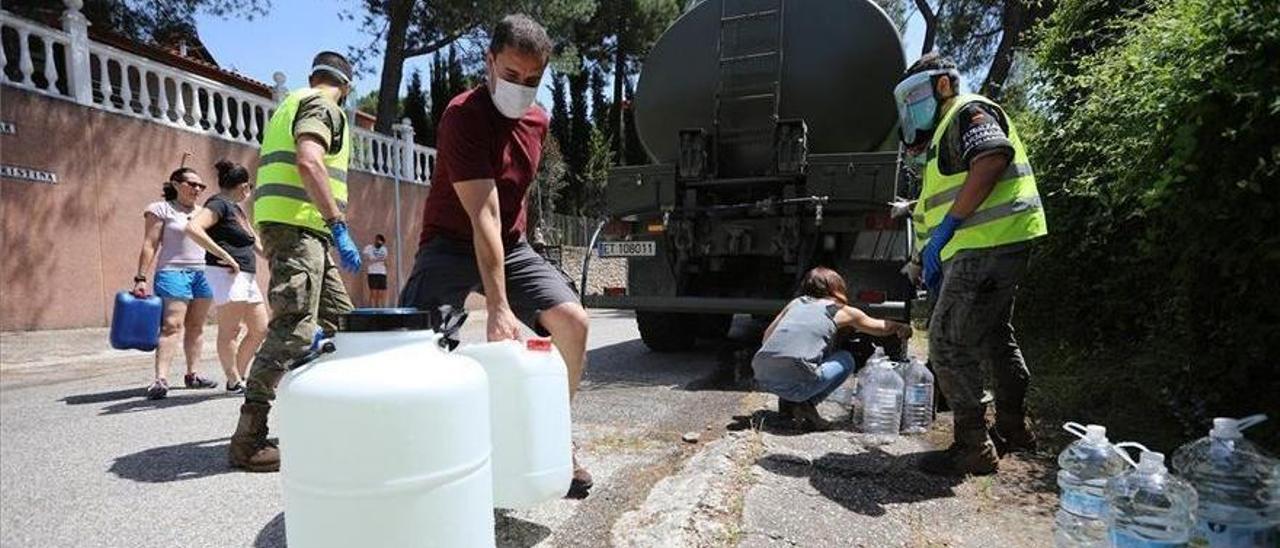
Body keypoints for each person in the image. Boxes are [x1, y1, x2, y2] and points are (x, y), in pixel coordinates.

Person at [399, 14, 594, 498]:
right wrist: (499, 306)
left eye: (532, 80)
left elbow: (512, 199)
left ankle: (554, 440)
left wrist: (521, 249)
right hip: (450, 241)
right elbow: (482, 213)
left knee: (573, 322)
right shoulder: (462, 115)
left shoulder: (538, 120)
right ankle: (422, 453)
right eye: (511, 75)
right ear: (489, 62)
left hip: (511, 244)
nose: (521, 87)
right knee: (410, 347)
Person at [893, 53, 1048, 475]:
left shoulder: (966, 110)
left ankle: (973, 446)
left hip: (985, 247)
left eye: (915, 96)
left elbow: (993, 158)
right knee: (996, 335)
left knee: (946, 341)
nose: (911, 109)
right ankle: (1014, 429)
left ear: (942, 85)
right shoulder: (944, 132)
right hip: (1001, 244)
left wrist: (950, 227)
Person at [228, 51, 360, 473]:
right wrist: (338, 223)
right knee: (294, 327)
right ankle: (248, 439)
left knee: (344, 322)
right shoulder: (325, 105)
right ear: (348, 86)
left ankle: (332, 415)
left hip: (304, 231)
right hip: (299, 228)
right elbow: (308, 160)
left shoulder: (293, 102)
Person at [753, 267, 913, 431]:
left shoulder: (796, 303)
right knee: (846, 359)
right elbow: (880, 327)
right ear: (836, 287)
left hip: (763, 376)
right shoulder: (840, 311)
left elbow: (767, 336)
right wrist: (901, 326)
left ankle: (789, 406)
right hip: (797, 381)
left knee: (797, 355)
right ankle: (805, 404)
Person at [131, 168, 219, 400]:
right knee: (171, 325)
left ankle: (193, 374)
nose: (197, 189)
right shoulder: (160, 209)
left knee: (197, 326)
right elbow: (150, 245)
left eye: (201, 186)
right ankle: (161, 379)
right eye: (192, 184)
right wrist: (140, 278)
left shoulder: (204, 213)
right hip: (172, 272)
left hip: (203, 273)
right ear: (176, 184)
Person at [184, 160, 268, 394]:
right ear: (243, 186)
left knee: (259, 328)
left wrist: (278, 257)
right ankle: (233, 380)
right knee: (230, 330)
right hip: (227, 274)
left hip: (247, 277)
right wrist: (224, 255)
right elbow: (193, 228)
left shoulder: (237, 209)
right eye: (249, 186)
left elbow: (254, 243)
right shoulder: (218, 204)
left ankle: (239, 377)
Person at [363, 234, 389, 307]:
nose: (379, 243)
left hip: (382, 272)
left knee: (382, 293)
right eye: (378, 241)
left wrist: (386, 265)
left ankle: (382, 309)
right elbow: (365, 258)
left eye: (381, 242)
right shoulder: (368, 248)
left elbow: (386, 260)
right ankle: (372, 309)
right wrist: (372, 260)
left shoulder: (384, 249)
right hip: (372, 272)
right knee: (373, 292)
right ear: (376, 239)